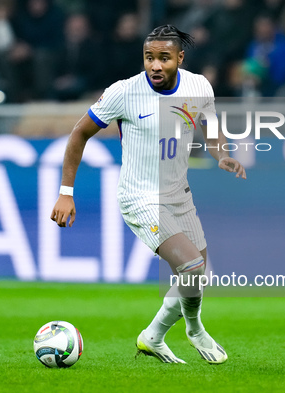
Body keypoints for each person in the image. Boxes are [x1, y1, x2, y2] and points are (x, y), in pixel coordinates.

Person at [50, 25, 246, 364]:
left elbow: (211, 128)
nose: (155, 65)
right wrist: (66, 193)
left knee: (198, 275)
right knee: (192, 265)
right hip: (139, 198)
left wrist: (222, 154)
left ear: (179, 59)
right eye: (149, 58)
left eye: (164, 58)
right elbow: (79, 133)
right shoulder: (124, 93)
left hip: (178, 194)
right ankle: (169, 334)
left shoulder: (199, 86)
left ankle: (175, 332)